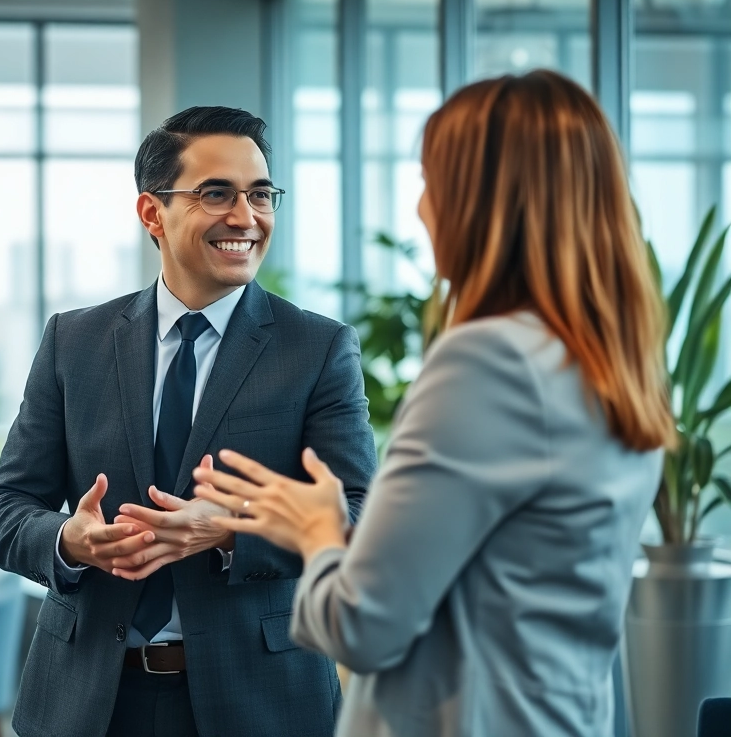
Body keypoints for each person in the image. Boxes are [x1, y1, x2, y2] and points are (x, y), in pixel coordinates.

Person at [193, 70, 674, 737]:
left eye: (430, 181)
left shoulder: (489, 363)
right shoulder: (614, 365)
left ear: (485, 200)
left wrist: (317, 532)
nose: (421, 208)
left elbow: (361, 627)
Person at [0, 106, 378, 737]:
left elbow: (359, 519)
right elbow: (3, 509)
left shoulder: (317, 349)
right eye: (216, 194)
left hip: (259, 703)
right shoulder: (73, 342)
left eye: (260, 194)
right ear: (152, 212)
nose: (245, 217)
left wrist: (228, 531)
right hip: (89, 703)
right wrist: (70, 541)